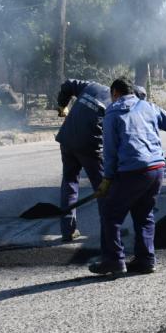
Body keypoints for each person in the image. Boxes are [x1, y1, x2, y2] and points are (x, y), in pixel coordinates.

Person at [88, 77, 166, 276]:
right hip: (156, 169)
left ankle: (114, 260)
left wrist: (107, 179)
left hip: (133, 171)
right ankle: (146, 260)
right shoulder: (149, 107)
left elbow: (110, 151)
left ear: (115, 92)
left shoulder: (112, 113)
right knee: (144, 215)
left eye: (111, 95)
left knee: (110, 214)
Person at [54, 79, 112, 242]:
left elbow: (66, 84)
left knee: (70, 182)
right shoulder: (119, 104)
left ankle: (68, 230)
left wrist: (62, 105)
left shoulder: (92, 86)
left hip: (68, 140)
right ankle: (109, 232)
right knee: (103, 188)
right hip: (90, 148)